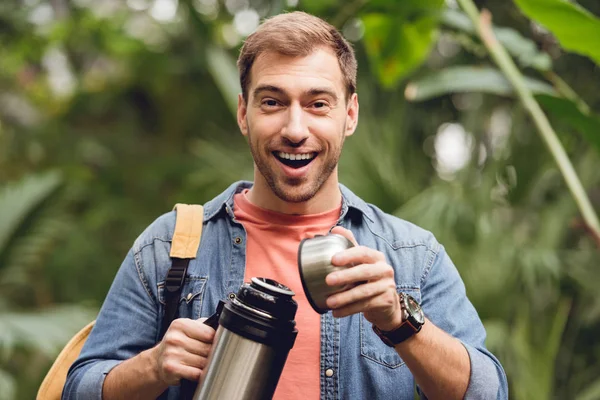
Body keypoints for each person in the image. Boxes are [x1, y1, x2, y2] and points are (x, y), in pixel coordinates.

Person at [64, 11, 508, 400]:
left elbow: (488, 391)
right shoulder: (170, 244)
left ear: (349, 114)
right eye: (272, 102)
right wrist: (152, 367)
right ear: (244, 113)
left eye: (318, 104)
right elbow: (78, 388)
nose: (295, 128)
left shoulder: (413, 256)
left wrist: (399, 321)